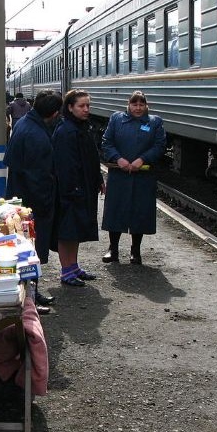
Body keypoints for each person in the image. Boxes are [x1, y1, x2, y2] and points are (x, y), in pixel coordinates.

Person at [3, 89, 63, 314]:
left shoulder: (24, 124)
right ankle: (30, 299)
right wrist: (47, 204)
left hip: (20, 196)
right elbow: (38, 177)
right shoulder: (37, 135)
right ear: (55, 113)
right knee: (32, 251)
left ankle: (32, 293)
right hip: (33, 204)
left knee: (28, 249)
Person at [100, 90, 167, 264]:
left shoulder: (155, 122)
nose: (138, 108)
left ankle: (135, 251)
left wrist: (142, 159)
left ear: (146, 106)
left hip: (143, 176)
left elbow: (160, 146)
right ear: (128, 105)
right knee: (115, 210)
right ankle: (113, 249)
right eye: (134, 104)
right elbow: (107, 142)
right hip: (119, 174)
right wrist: (118, 158)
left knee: (140, 212)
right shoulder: (117, 119)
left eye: (141, 104)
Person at [51, 90, 105, 286]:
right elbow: (65, 165)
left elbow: (92, 158)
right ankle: (66, 271)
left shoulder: (82, 127)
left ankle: (73, 266)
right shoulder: (66, 131)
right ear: (70, 107)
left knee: (77, 230)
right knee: (67, 231)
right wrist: (73, 189)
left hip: (84, 187)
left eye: (88, 106)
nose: (86, 109)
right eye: (81, 106)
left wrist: (98, 178)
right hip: (72, 190)